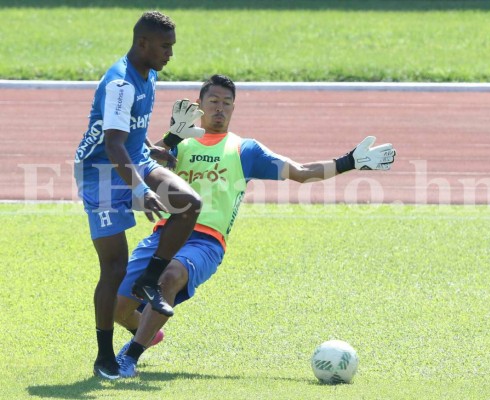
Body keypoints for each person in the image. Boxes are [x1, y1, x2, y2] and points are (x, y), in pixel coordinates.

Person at [113, 74, 396, 377]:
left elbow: (301, 172)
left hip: (206, 243)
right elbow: (144, 165)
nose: (220, 109)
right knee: (118, 308)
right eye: (213, 102)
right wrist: (171, 137)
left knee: (170, 276)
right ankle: (148, 330)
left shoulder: (245, 150)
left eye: (227, 103)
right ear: (199, 105)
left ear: (234, 109)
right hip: (165, 235)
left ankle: (130, 357)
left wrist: (350, 161)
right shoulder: (182, 144)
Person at [73, 11, 204, 380]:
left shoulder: (150, 74)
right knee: (114, 268)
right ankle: (103, 357)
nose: (170, 54)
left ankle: (151, 279)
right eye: (165, 46)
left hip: (134, 159)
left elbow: (130, 131)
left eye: (172, 46)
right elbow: (113, 144)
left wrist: (153, 150)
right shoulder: (120, 83)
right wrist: (141, 190)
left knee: (189, 203)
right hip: (100, 172)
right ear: (143, 43)